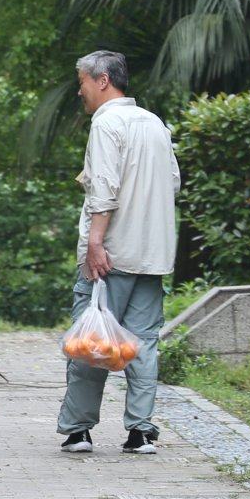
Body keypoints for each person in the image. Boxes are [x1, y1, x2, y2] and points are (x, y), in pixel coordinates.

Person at [59, 50, 180, 456]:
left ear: (102, 80)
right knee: (142, 343)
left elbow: (105, 189)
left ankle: (79, 431)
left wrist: (95, 243)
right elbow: (173, 183)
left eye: (82, 82)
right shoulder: (155, 123)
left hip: (111, 255)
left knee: (92, 340)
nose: (80, 91)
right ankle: (141, 432)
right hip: (153, 254)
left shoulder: (106, 123)